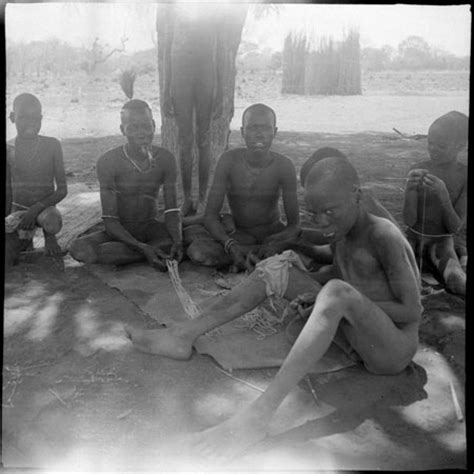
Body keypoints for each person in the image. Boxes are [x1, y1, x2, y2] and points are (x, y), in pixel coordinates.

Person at [127, 156, 422, 460]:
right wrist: (307, 279)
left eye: (329, 212)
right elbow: (343, 273)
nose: (321, 222)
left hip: (390, 351)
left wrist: (332, 300)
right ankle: (184, 335)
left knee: (334, 293)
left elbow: (412, 311)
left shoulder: (383, 234)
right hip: (358, 335)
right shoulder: (342, 228)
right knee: (277, 268)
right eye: (313, 213)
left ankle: (259, 415)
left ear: (357, 195)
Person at [184, 103, 301, 271]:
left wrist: (276, 242)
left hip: (271, 234)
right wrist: (230, 244)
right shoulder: (229, 161)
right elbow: (210, 216)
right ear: (242, 131)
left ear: (274, 132)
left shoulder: (284, 166)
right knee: (198, 251)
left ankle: (250, 256)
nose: (259, 134)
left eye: (266, 128)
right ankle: (253, 255)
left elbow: (294, 225)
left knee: (306, 242)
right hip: (239, 234)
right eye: (253, 128)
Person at [69, 99, 183, 270]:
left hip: (151, 227)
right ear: (123, 129)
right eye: (133, 127)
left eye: (146, 126)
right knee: (79, 249)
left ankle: (146, 251)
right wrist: (142, 247)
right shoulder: (108, 161)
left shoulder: (165, 159)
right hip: (119, 230)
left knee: (172, 241)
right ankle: (149, 252)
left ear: (153, 125)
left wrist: (177, 240)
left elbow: (171, 210)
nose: (141, 133)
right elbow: (110, 221)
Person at [160, 2, 227, 216]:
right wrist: (165, 90)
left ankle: (203, 198)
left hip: (205, 73)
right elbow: (167, 52)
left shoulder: (214, 11)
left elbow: (221, 53)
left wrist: (221, 90)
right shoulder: (174, 10)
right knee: (185, 139)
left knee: (204, 139)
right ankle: (188, 197)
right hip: (180, 73)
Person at [403, 111, 467, 295]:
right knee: (389, 276)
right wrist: (409, 190)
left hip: (441, 243)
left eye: (441, 145)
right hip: (413, 239)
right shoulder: (418, 169)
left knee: (457, 282)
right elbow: (409, 220)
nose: (433, 149)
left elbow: (455, 227)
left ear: (460, 146)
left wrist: (443, 195)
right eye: (430, 142)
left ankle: (457, 254)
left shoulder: (464, 176)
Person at [5, 93, 67, 267]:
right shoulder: (8, 148)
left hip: (45, 211)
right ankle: (24, 238)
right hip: (18, 211)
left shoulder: (52, 145)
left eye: (35, 118)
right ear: (12, 118)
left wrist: (35, 210)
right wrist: (8, 220)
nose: (30, 123)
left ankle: (49, 236)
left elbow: (62, 190)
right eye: (23, 117)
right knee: (9, 258)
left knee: (53, 223)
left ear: (41, 118)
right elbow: (8, 190)